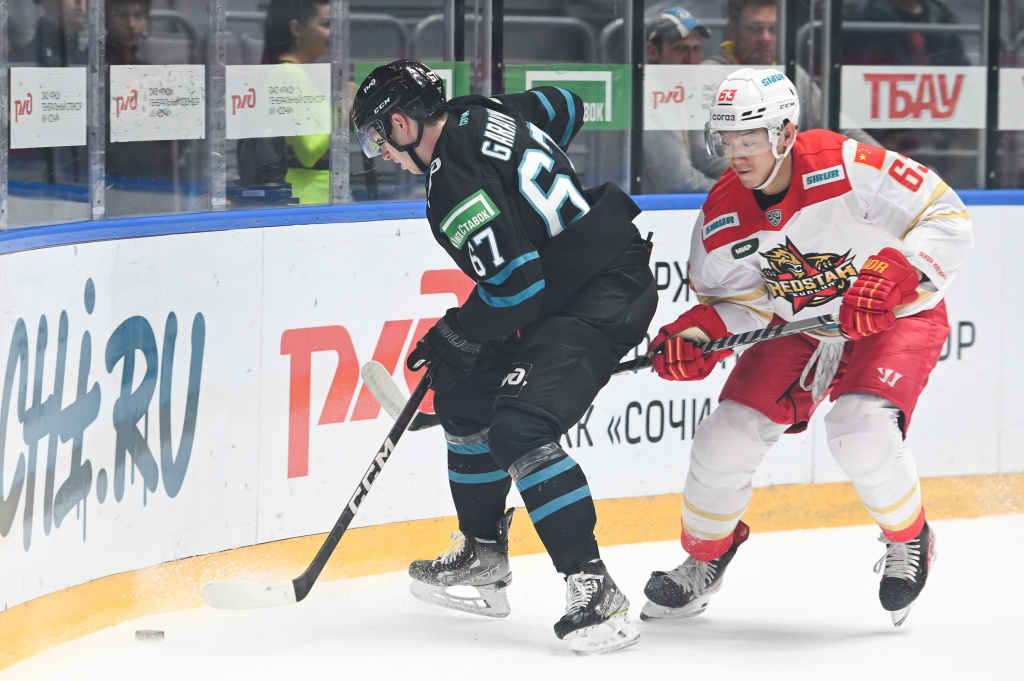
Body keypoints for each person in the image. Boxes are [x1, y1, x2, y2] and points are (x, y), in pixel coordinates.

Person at [639, 67, 971, 628]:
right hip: (803, 326)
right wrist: (702, 334)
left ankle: (910, 538)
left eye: (749, 139)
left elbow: (948, 217)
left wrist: (899, 272)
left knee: (860, 431)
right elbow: (743, 302)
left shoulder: (849, 165)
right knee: (723, 439)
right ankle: (706, 558)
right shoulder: (722, 214)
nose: (736, 154)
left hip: (894, 316)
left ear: (786, 133)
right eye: (727, 140)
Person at [351, 60, 657, 654]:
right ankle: (483, 555)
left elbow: (515, 290)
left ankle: (596, 590)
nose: (379, 151)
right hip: (565, 283)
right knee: (464, 394)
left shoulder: (451, 186)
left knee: (519, 429)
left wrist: (459, 332)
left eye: (376, 136)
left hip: (601, 290)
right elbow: (566, 104)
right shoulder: (482, 109)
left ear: (402, 124)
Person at [695, 0, 880, 180]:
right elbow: (706, 154)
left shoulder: (792, 75)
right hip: (741, 188)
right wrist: (778, 179)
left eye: (773, 29)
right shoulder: (709, 76)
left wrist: (883, 160)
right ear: (733, 31)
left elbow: (842, 129)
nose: (765, 38)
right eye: (754, 29)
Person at [244, 0, 331, 204]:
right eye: (326, 24)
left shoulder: (294, 73)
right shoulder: (288, 75)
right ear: (297, 28)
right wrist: (342, 110)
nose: (334, 32)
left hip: (312, 199)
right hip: (306, 201)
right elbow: (308, 154)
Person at [643, 7, 718, 193]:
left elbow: (703, 154)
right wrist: (728, 191)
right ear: (653, 52)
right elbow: (678, 182)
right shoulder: (654, 95)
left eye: (696, 49)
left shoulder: (677, 89)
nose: (691, 60)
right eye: (680, 49)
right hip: (643, 208)